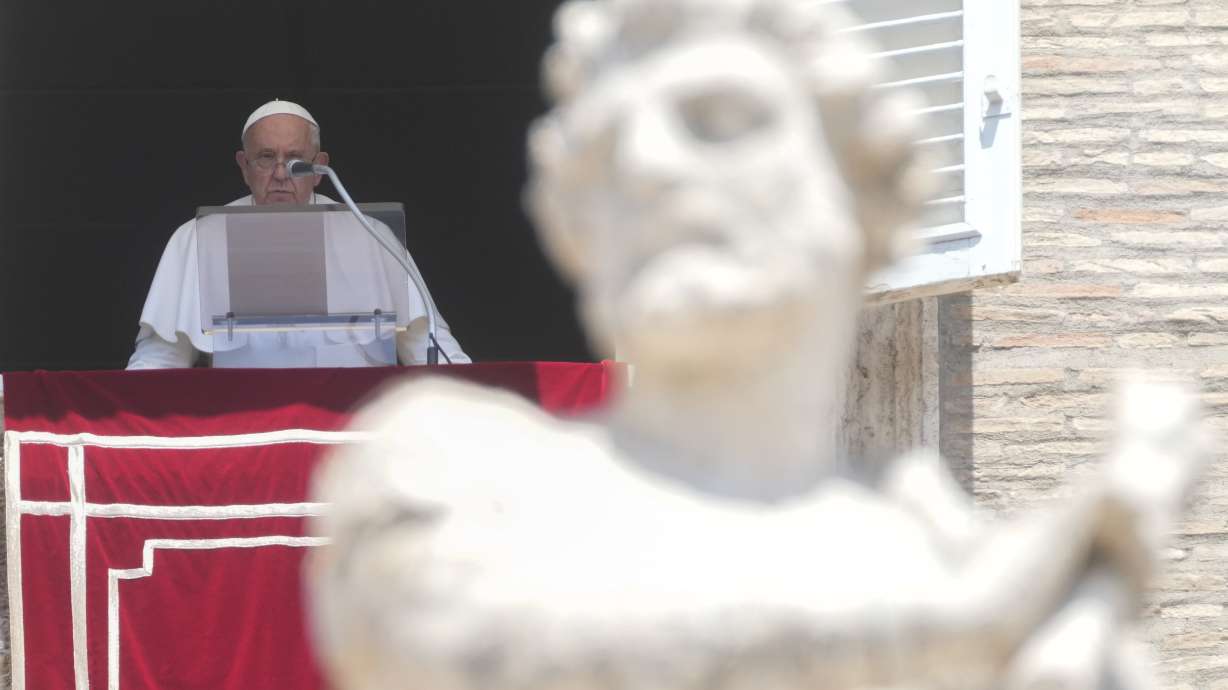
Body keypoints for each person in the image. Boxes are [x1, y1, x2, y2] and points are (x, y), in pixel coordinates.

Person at [126, 99, 469, 369]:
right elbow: (160, 362)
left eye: (295, 160)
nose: (280, 173)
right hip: (250, 431)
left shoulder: (371, 235)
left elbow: (428, 347)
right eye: (265, 158)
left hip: (352, 434)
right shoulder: (199, 239)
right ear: (244, 167)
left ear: (319, 167)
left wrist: (480, 405)